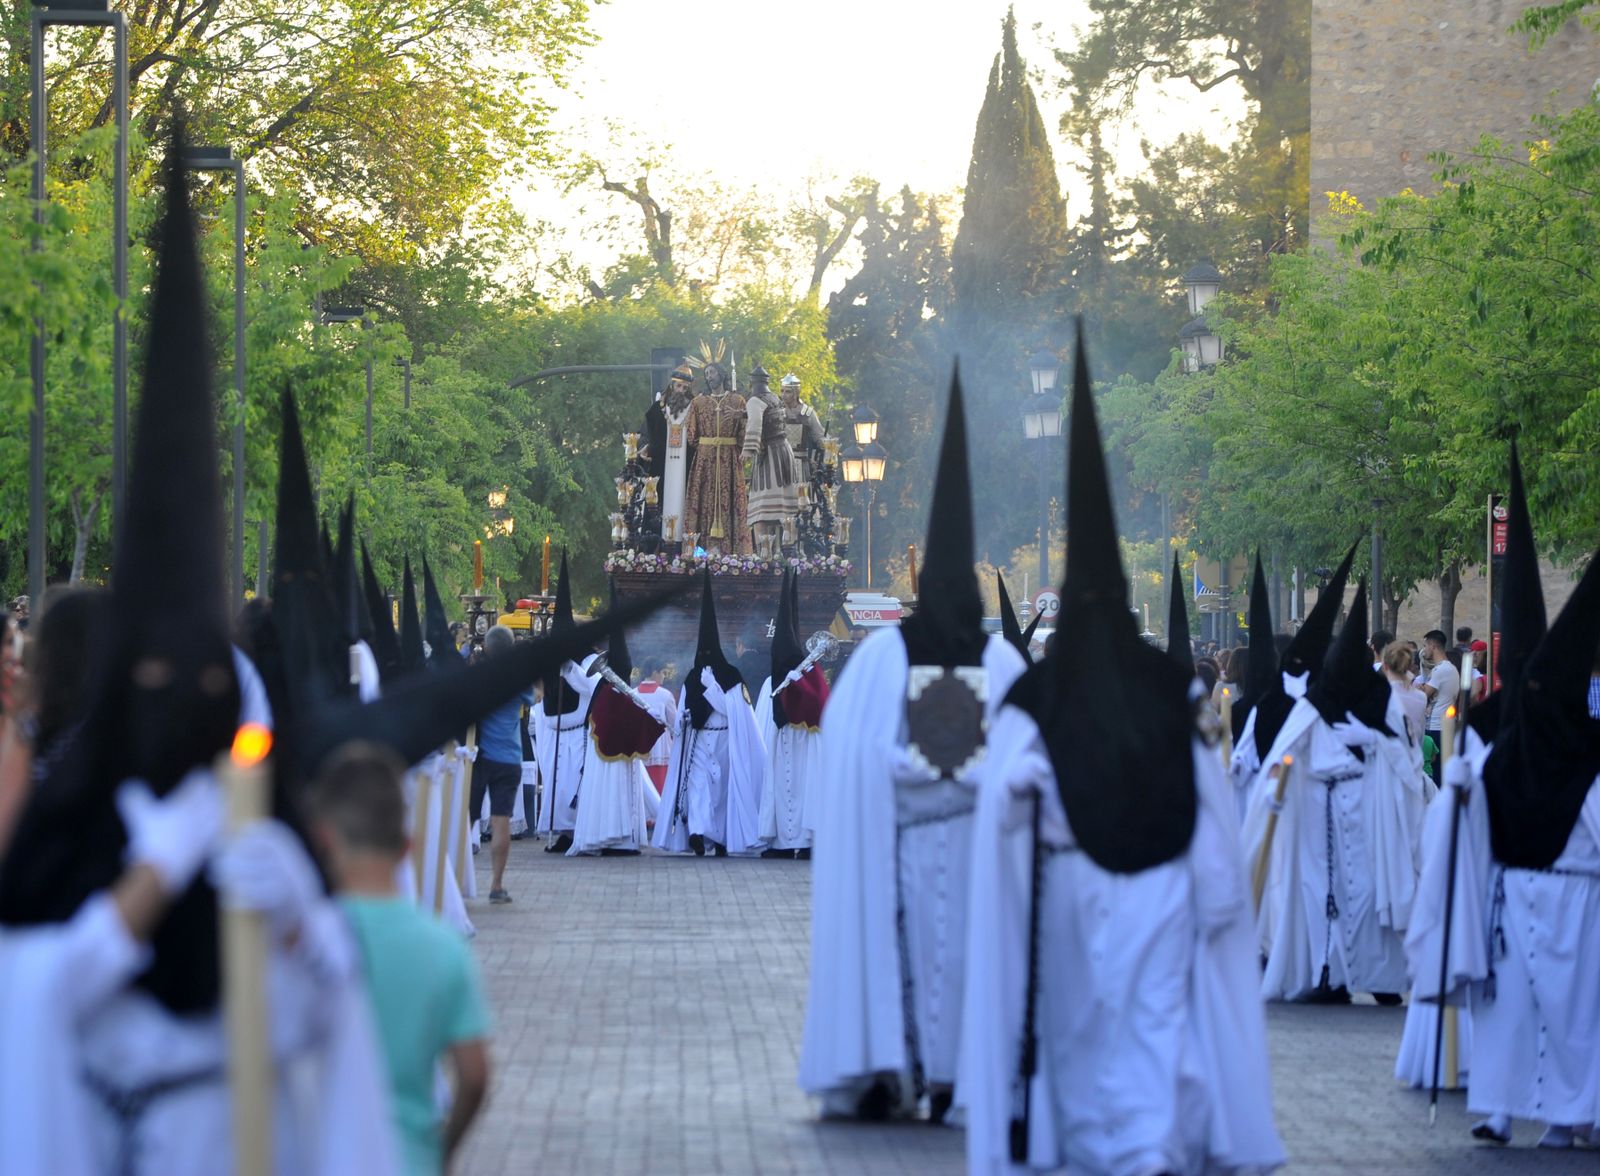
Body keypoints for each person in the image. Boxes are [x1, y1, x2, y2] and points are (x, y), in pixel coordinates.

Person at [963, 328, 1282, 1175]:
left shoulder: (1044, 691)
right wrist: (1217, 896)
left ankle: (1137, 1151)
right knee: (1135, 1034)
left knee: (1116, 1035)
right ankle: (1141, 1149)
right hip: (1149, 889)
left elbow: (1003, 802)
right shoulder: (1164, 685)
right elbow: (1210, 799)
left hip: (1100, 891)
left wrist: (1021, 796)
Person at [800, 370, 1027, 1123]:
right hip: (905, 851)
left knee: (969, 967)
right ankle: (895, 1067)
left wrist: (956, 773)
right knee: (908, 964)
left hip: (979, 855)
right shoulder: (882, 664)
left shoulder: (1000, 664)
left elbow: (1030, 759)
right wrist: (936, 769)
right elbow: (856, 759)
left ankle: (965, 1077)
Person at [307, 742, 491, 1175]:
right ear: (408, 846)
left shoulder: (308, 941)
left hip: (323, 1154)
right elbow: (475, 1075)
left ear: (325, 839)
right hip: (410, 1155)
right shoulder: (442, 946)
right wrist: (445, 1148)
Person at [653, 571, 765, 856]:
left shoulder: (730, 675)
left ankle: (724, 838)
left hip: (725, 740)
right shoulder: (692, 676)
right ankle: (699, 834)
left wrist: (713, 689)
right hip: (700, 740)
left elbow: (736, 712)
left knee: (722, 792)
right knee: (699, 787)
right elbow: (683, 709)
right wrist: (681, 724)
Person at [568, 584, 662, 856]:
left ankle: (625, 838)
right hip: (608, 753)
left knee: (624, 792)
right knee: (610, 794)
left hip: (622, 756)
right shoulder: (609, 693)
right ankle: (612, 837)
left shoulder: (618, 692)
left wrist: (648, 719)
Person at [756, 570, 827, 858]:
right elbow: (765, 712)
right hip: (781, 738)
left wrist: (800, 687)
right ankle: (782, 844)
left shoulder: (810, 673)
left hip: (804, 743)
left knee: (802, 790)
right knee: (782, 791)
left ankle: (806, 842)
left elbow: (819, 704)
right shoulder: (772, 681)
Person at [530, 554, 594, 855]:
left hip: (575, 733)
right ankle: (560, 833)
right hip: (553, 732)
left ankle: (576, 832)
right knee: (555, 790)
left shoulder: (587, 659)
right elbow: (540, 691)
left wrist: (569, 667)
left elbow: (588, 688)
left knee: (571, 788)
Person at [472, 625, 532, 901]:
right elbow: (537, 696)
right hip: (508, 757)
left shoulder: (477, 675)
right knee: (501, 820)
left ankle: (456, 877)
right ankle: (496, 884)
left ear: (486, 647)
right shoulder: (517, 677)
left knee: (466, 819)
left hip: (478, 756)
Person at [682, 358, 751, 553]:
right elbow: (691, 435)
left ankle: (733, 551)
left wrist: (737, 448)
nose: (709, 376)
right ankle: (699, 551)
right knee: (704, 498)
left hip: (729, 459)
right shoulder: (698, 402)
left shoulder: (737, 401)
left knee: (731, 499)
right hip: (705, 460)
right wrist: (708, 446)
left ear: (721, 373)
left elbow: (744, 433)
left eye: (712, 372)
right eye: (706, 374)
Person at [741, 364, 798, 559]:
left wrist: (748, 450)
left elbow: (755, 424)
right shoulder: (775, 398)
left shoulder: (755, 400)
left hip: (770, 458)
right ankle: (784, 553)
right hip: (784, 451)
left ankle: (765, 556)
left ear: (751, 383)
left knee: (761, 512)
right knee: (784, 512)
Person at [1417, 630, 1459, 786]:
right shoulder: (1450, 669)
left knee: (1435, 773)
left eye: (1425, 646)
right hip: (1443, 725)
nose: (1424, 651)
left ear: (1433, 645)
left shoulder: (1441, 670)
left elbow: (1423, 695)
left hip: (1435, 726)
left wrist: (1417, 688)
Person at [635, 656, 678, 796]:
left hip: (637, 753)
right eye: (663, 673)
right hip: (661, 753)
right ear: (655, 672)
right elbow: (675, 725)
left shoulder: (632, 694)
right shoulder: (665, 695)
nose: (664, 677)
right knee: (661, 794)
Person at [1383, 641, 1427, 745]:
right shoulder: (1421, 697)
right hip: (1413, 755)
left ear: (1385, 666)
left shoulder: (1380, 694)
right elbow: (1420, 734)